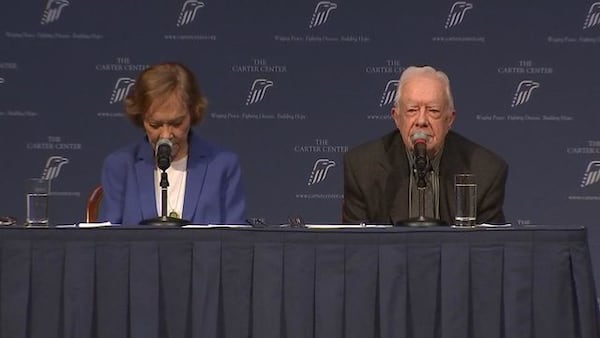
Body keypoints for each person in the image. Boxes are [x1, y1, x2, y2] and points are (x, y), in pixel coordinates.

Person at [342, 65, 508, 225]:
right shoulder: (362, 169)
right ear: (396, 118)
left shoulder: (485, 172)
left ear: (449, 119)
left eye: (433, 110)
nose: (421, 121)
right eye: (412, 110)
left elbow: (487, 249)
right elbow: (355, 248)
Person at [99, 62, 246, 225]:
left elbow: (236, 241)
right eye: (155, 125)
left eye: (176, 123)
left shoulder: (222, 165)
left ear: (193, 112)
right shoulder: (120, 166)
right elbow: (108, 242)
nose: (166, 135)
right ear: (141, 117)